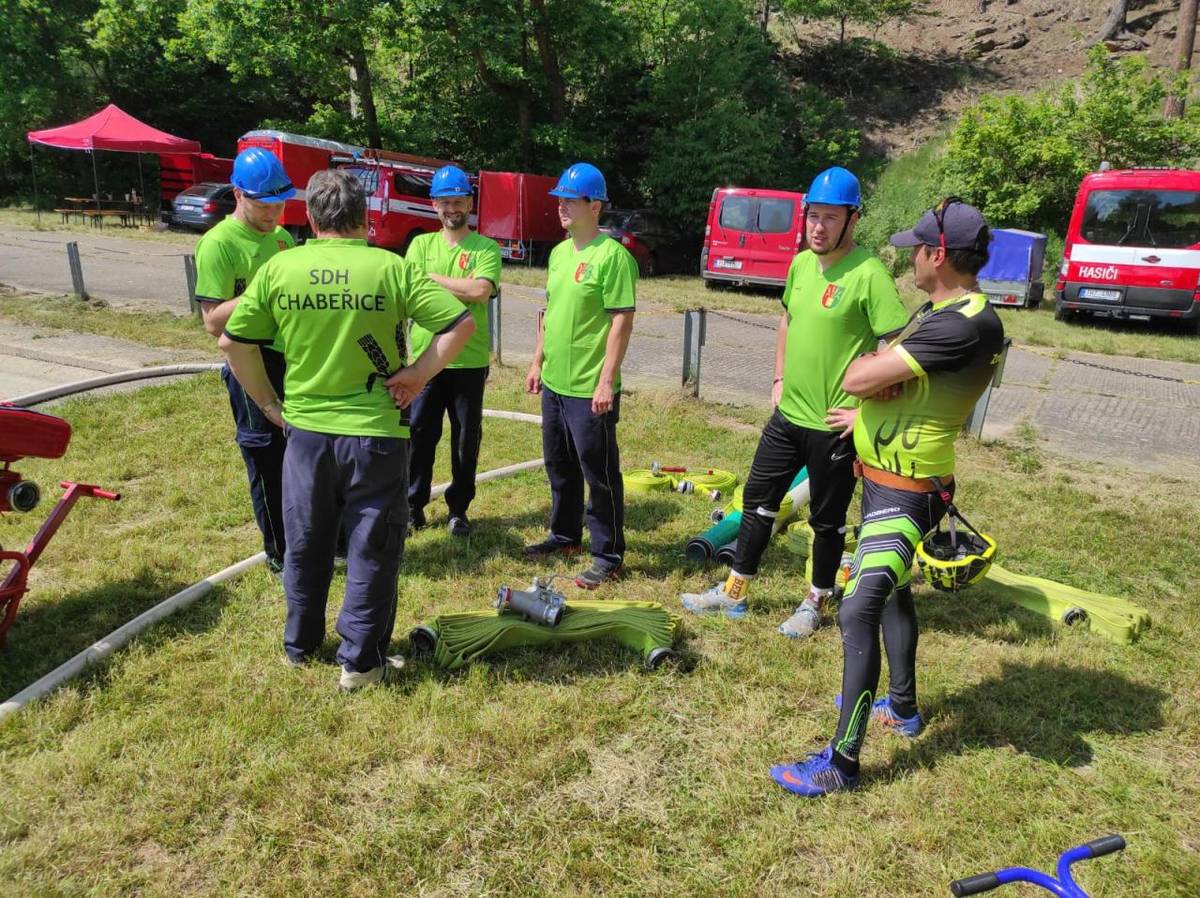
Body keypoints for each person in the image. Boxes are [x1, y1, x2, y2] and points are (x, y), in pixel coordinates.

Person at [770, 198, 1005, 796]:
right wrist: (871, 407)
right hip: (883, 481)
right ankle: (901, 707)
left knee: (857, 608)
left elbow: (857, 374)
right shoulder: (938, 310)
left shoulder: (963, 322)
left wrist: (875, 382)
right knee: (895, 592)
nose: (908, 257)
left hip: (908, 495)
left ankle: (842, 764)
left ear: (939, 255)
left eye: (916, 248)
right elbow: (887, 383)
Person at [219, 169, 474, 691]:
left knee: (307, 541)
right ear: (364, 218)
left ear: (310, 218)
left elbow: (232, 342)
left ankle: (301, 645)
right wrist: (418, 376)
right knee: (371, 545)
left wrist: (269, 403)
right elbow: (460, 324)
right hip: (377, 434)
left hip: (306, 433)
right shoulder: (390, 268)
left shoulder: (281, 268)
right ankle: (360, 663)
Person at [681, 167, 909, 638]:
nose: (819, 227)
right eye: (813, 217)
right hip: (788, 417)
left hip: (834, 426)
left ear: (853, 219)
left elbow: (896, 348)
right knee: (757, 501)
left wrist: (866, 411)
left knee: (827, 523)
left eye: (830, 217)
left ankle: (815, 601)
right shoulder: (802, 264)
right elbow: (787, 319)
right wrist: (779, 375)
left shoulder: (869, 274)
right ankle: (735, 593)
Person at [524, 162, 637, 589]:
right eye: (559, 200)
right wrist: (537, 361)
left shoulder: (613, 258)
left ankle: (608, 554)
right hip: (555, 382)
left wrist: (606, 379)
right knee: (559, 464)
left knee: (599, 471)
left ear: (595, 206)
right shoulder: (558, 253)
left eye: (570, 200)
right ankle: (565, 534)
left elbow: (621, 323)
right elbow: (548, 313)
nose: (561, 207)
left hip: (590, 388)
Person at [194, 147, 296, 572]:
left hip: (289, 357)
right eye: (264, 204)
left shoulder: (283, 238)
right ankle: (279, 551)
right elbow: (213, 321)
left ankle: (315, 536)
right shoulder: (218, 244)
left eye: (280, 204)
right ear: (238, 194)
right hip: (247, 359)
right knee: (265, 456)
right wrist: (264, 290)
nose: (274, 213)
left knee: (301, 452)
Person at [406, 165, 502, 538]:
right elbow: (407, 291)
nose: (452, 208)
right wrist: (456, 286)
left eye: (458, 201)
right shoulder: (419, 245)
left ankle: (458, 509)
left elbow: (480, 291)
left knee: (465, 438)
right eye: (445, 202)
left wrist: (429, 280)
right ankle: (412, 505)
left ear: (469, 203)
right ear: (434, 205)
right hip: (425, 360)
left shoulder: (486, 247)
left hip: (468, 360)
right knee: (419, 435)